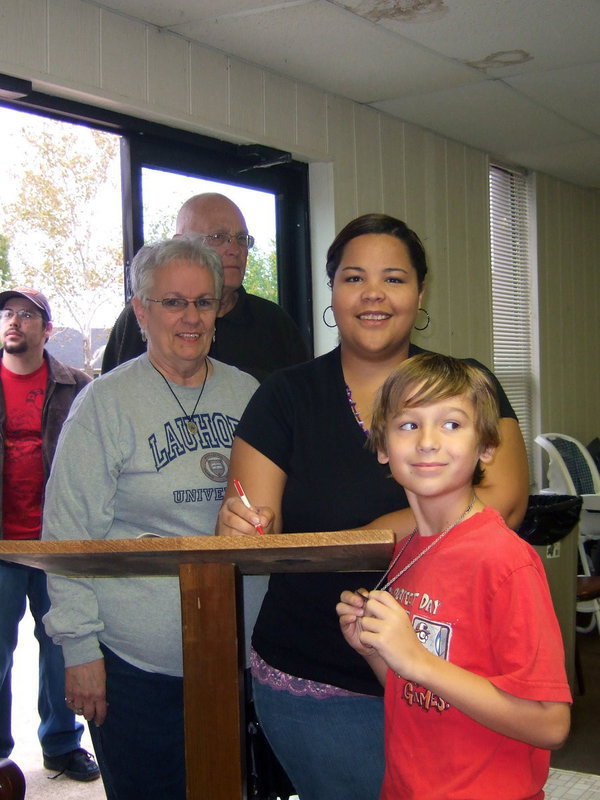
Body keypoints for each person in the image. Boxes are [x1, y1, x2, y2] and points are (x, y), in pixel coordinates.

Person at [216, 213, 530, 800]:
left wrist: (378, 529)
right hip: (316, 677)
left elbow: (505, 504)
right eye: (354, 278)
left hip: (459, 673)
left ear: (419, 292)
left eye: (394, 278)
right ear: (332, 293)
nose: (374, 295)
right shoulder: (284, 395)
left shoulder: (468, 384)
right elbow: (257, 534)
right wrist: (240, 527)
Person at [41, 238, 259, 800]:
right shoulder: (104, 405)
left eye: (204, 303)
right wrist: (80, 650)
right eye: (172, 302)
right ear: (141, 310)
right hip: (134, 664)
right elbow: (67, 535)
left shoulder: (250, 394)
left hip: (236, 656)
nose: (191, 317)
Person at [337, 353, 572, 799]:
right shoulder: (407, 552)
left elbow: (551, 724)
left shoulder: (505, 561)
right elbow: (418, 691)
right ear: (383, 445)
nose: (427, 441)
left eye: (451, 424)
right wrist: (376, 652)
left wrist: (418, 660)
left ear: (485, 446)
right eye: (408, 425)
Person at [0, 287, 99, 782]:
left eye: (25, 314)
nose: (13, 321)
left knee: (61, 647)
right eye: (6, 313)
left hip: (55, 544)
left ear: (47, 328)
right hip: (0, 547)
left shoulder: (77, 386)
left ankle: (61, 744)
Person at [101, 192, 309, 382]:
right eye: (219, 237)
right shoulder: (143, 316)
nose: (235, 250)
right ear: (181, 243)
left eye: (241, 239)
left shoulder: (274, 323)